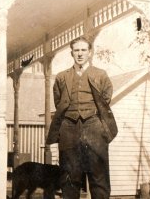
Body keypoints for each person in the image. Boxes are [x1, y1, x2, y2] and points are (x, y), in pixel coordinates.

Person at [46, 36, 118, 199]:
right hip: (69, 130)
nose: (80, 54)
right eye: (76, 50)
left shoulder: (100, 75)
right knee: (69, 177)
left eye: (83, 50)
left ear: (90, 52)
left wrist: (93, 118)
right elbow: (59, 101)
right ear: (72, 53)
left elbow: (106, 99)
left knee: (98, 176)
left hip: (94, 129)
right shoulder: (61, 77)